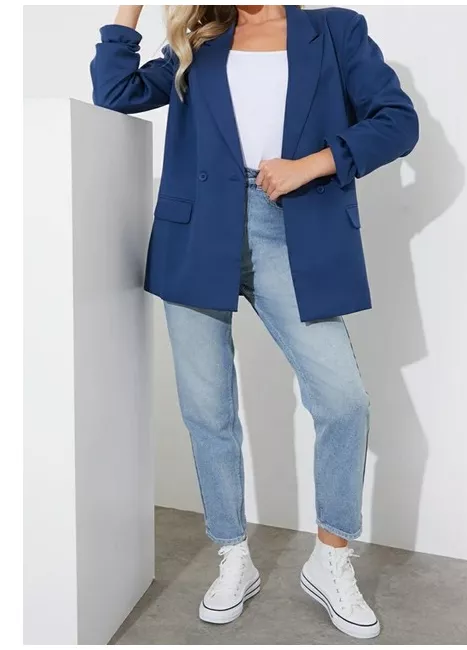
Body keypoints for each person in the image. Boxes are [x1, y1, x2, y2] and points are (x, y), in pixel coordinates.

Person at [91, 4, 418, 639]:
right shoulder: (201, 39)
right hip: (196, 230)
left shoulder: (334, 30)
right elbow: (116, 92)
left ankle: (331, 558)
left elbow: (397, 122)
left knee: (343, 400)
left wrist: (312, 163)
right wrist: (129, 9)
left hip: (291, 227)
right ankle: (232, 555)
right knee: (207, 409)